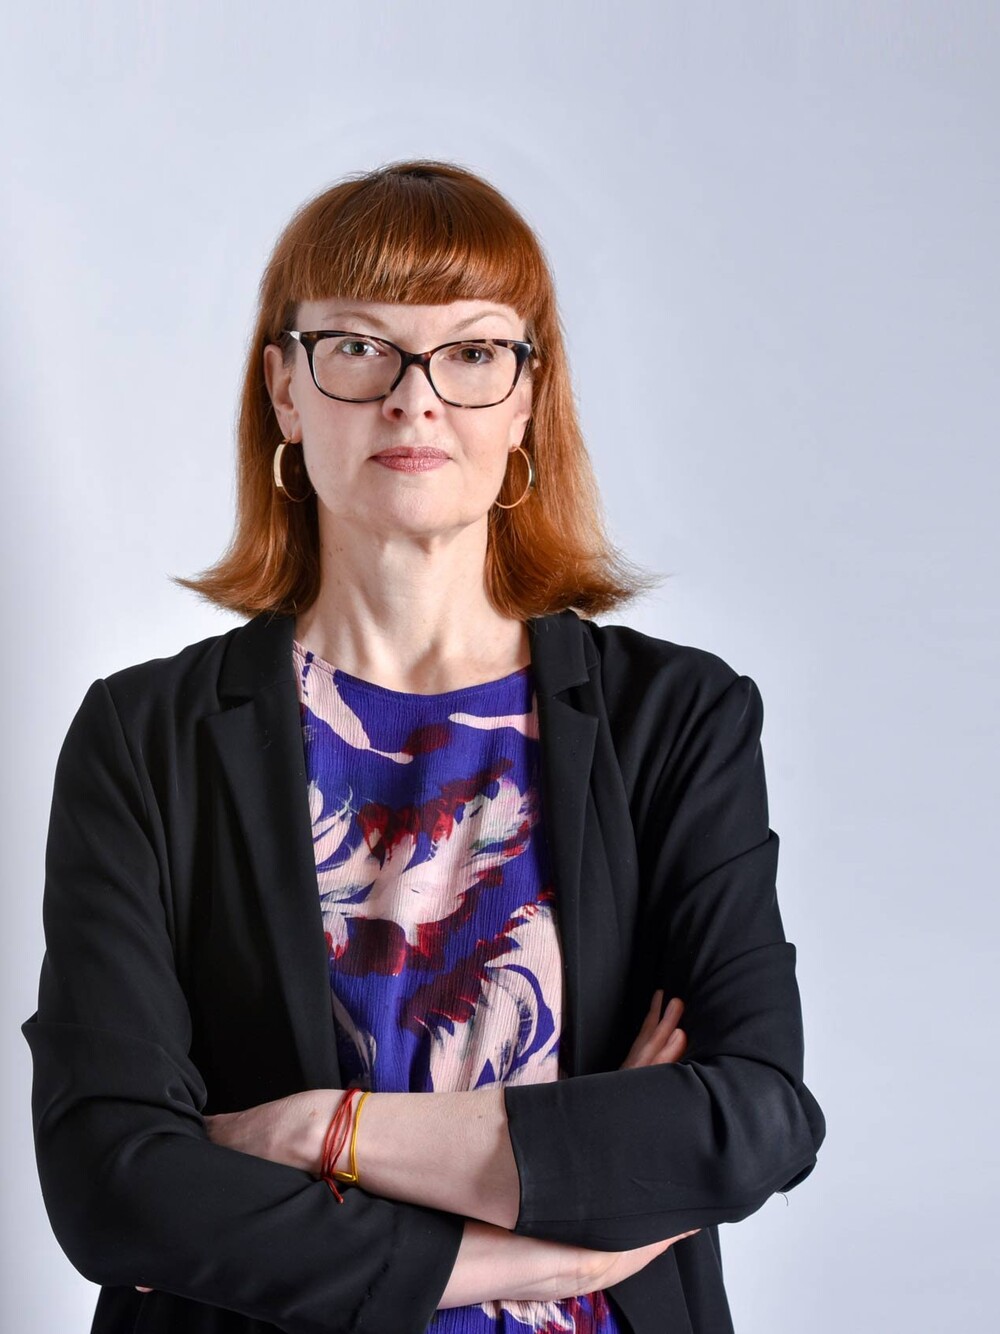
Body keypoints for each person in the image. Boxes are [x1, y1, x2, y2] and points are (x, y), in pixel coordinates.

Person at [21, 158, 826, 1334]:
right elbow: (115, 1185)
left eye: (472, 350)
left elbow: (749, 1119)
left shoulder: (676, 718)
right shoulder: (146, 737)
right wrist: (536, 1249)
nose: (415, 399)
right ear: (284, 390)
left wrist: (317, 1129)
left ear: (526, 397)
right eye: (358, 347)